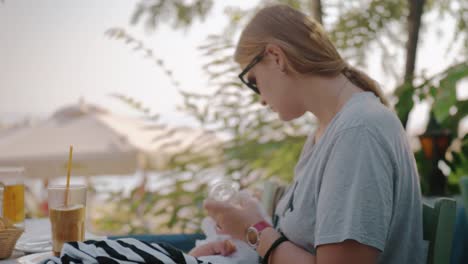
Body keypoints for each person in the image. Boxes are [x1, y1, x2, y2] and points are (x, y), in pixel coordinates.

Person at [196, 4, 427, 264]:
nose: (260, 99)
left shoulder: (358, 131)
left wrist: (254, 231)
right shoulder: (326, 133)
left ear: (275, 56)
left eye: (252, 81)